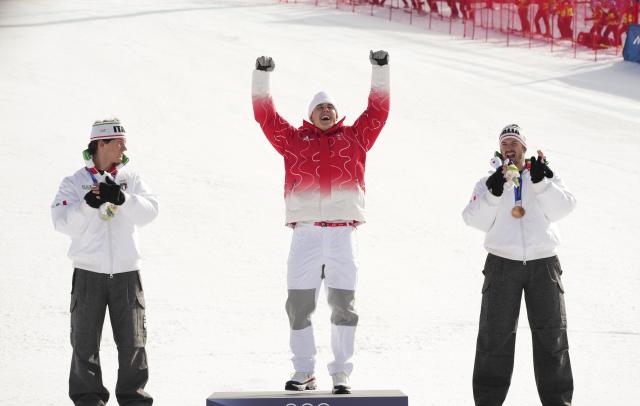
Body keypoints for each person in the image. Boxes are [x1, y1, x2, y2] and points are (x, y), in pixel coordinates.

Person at [251, 50, 390, 395]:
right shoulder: (294, 141)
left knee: (344, 306)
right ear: (310, 116)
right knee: (299, 306)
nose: (326, 111)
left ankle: (341, 373)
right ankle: (304, 372)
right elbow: (265, 117)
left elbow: (378, 111)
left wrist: (380, 68)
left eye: (330, 107)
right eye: (319, 108)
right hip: (306, 235)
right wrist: (262, 75)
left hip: (343, 234)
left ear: (336, 114)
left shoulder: (355, 138)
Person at [462, 124, 575, 406]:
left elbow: (565, 207)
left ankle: (558, 402)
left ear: (524, 147)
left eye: (514, 143)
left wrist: (542, 182)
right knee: (494, 337)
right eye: (504, 144)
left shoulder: (543, 174)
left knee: (552, 338)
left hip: (544, 264)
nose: (509, 148)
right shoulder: (489, 181)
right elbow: (473, 219)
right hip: (502, 265)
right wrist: (494, 193)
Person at [51, 118, 159, 406]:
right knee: (84, 344)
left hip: (126, 273)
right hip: (88, 274)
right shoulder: (74, 182)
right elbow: (62, 223)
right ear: (101, 144)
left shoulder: (132, 178)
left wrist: (123, 198)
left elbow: (150, 212)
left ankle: (134, 400)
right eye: (118, 141)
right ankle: (88, 401)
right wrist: (88, 205)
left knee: (133, 343)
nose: (124, 147)